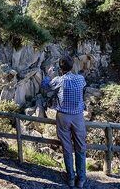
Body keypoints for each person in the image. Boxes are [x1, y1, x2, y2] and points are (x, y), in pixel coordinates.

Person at [41, 55, 87, 188]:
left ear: (60, 68)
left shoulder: (58, 80)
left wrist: (48, 75)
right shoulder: (80, 79)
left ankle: (71, 178)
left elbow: (45, 87)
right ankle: (82, 179)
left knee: (67, 148)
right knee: (80, 147)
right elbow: (83, 86)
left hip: (63, 116)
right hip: (78, 116)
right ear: (72, 66)